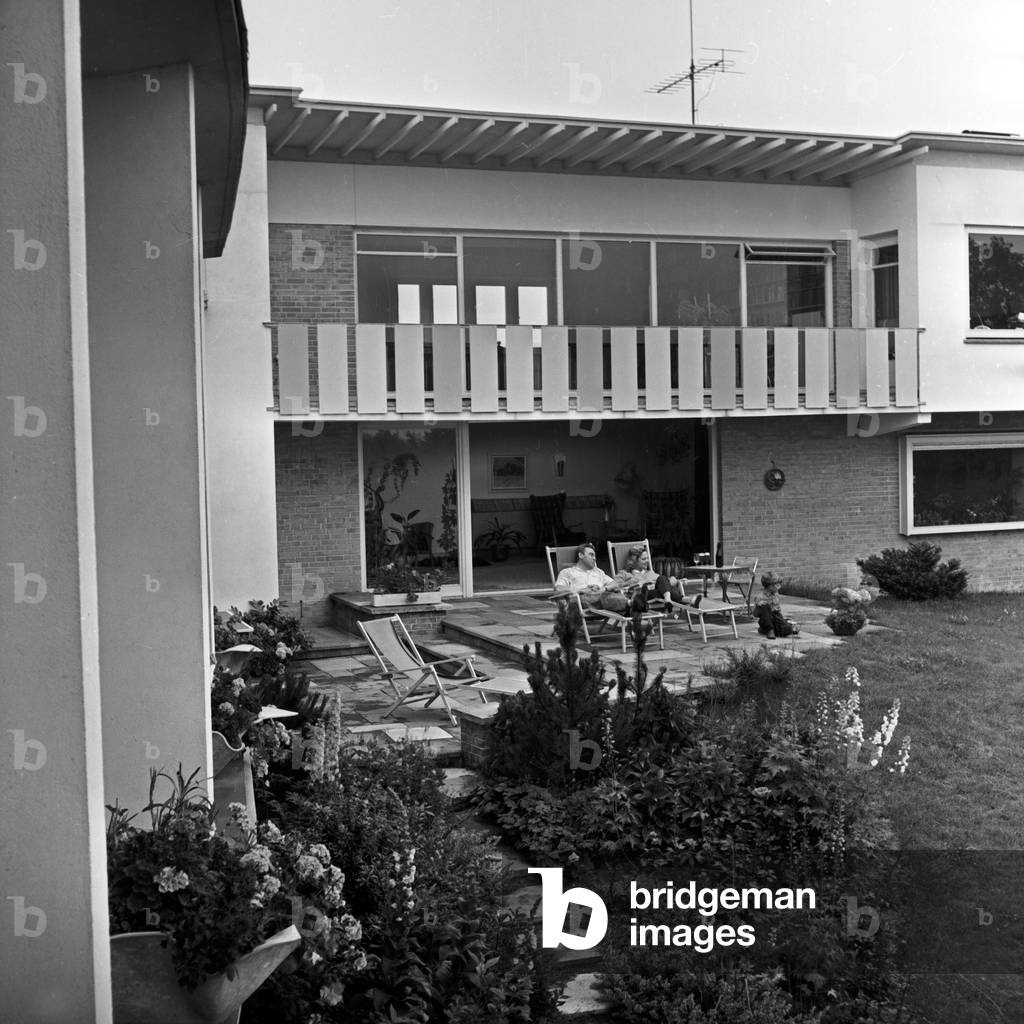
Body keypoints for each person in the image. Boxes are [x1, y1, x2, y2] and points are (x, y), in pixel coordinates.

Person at [554, 542, 629, 613]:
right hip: (581, 601)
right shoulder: (568, 572)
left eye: (595, 556)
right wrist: (582, 590)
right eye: (591, 555)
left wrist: (603, 589)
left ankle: (630, 604)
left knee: (612, 595)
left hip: (602, 600)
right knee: (608, 597)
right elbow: (558, 588)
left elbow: (614, 584)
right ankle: (630, 603)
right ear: (581, 555)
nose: (594, 558)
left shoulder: (598, 572)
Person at [614, 544, 691, 606]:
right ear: (634, 561)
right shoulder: (624, 573)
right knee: (663, 590)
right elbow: (614, 586)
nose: (647, 561)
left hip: (656, 594)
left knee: (662, 579)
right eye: (644, 559)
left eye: (647, 558)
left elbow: (663, 582)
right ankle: (686, 599)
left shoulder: (650, 572)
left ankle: (668, 598)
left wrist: (676, 580)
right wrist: (633, 583)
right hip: (640, 596)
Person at [753, 571, 800, 639]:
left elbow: (778, 610)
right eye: (777, 585)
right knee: (765, 608)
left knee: (788, 629)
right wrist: (759, 607)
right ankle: (769, 630)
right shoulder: (760, 597)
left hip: (776, 618)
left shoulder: (776, 595)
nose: (779, 587)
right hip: (766, 619)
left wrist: (783, 620)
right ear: (770, 586)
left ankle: (766, 630)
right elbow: (755, 614)